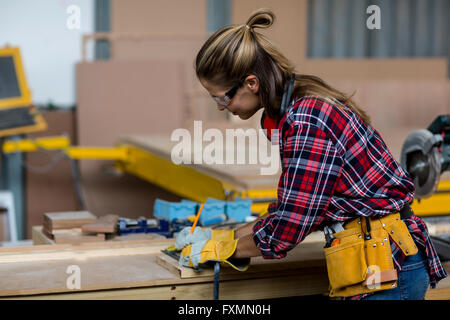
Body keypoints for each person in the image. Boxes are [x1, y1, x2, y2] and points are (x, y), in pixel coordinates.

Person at [177, 8, 447, 300]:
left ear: (251, 83)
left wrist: (223, 250)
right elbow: (293, 206)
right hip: (377, 257)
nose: (219, 106)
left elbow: (290, 226)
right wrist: (226, 237)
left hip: (388, 265)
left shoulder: (305, 120)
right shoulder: (298, 106)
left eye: (221, 96)